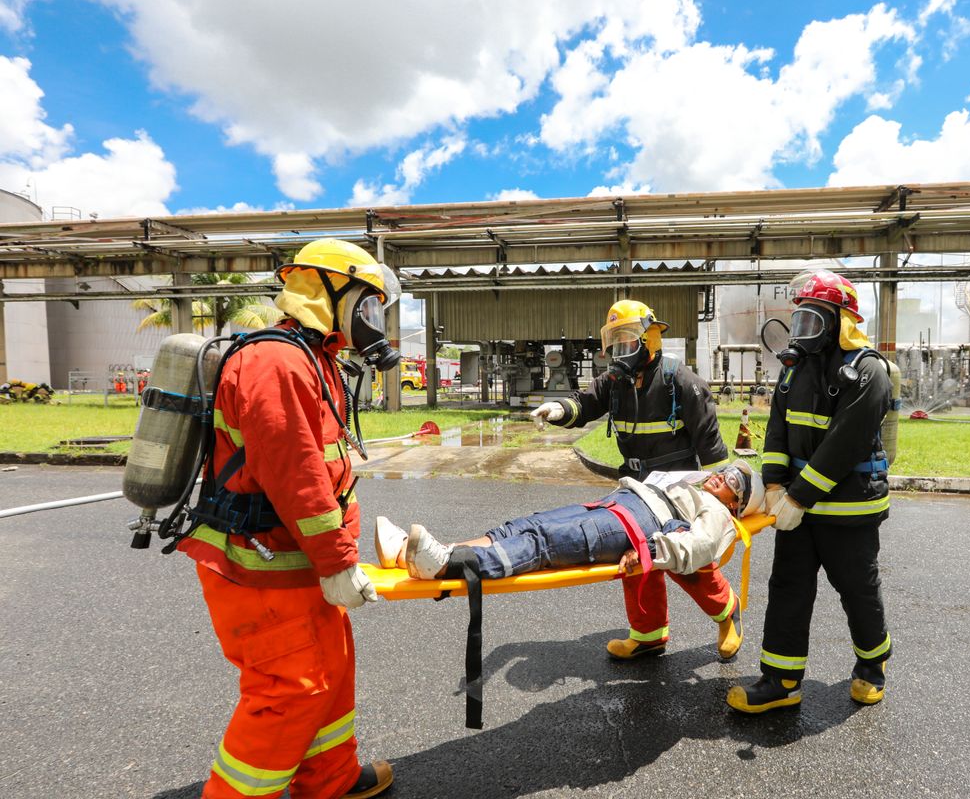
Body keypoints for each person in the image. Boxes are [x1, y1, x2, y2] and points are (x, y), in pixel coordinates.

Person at [177, 238, 401, 798]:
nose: (372, 321)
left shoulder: (314, 358)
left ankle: (330, 779)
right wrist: (338, 561)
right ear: (328, 291)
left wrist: (333, 561)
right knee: (291, 690)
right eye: (368, 305)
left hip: (300, 563)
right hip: (264, 565)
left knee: (331, 674)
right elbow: (296, 476)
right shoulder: (275, 361)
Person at [375, 461, 766, 661]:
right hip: (622, 503)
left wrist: (651, 553)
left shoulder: (717, 511)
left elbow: (700, 546)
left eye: (735, 483)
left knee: (543, 544)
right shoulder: (689, 479)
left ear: (738, 502)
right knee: (523, 525)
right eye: (726, 472)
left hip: (638, 523)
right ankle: (437, 552)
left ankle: (445, 566)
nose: (724, 479)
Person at [530, 299, 735, 660]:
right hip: (636, 487)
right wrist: (557, 409)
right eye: (616, 342)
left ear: (650, 339)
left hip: (677, 491)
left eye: (628, 341)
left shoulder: (681, 381)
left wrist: (721, 507)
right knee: (634, 560)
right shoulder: (616, 382)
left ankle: (727, 614)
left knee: (687, 565)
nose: (620, 351)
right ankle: (648, 635)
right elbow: (584, 403)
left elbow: (714, 451)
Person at [727, 270, 893, 714]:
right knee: (788, 588)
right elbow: (777, 433)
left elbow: (844, 446)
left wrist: (798, 498)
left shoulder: (867, 371)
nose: (802, 332)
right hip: (796, 506)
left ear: (841, 321)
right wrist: (777, 486)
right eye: (799, 320)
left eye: (813, 320)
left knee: (857, 589)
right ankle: (781, 681)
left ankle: (872, 668)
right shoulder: (794, 371)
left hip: (850, 508)